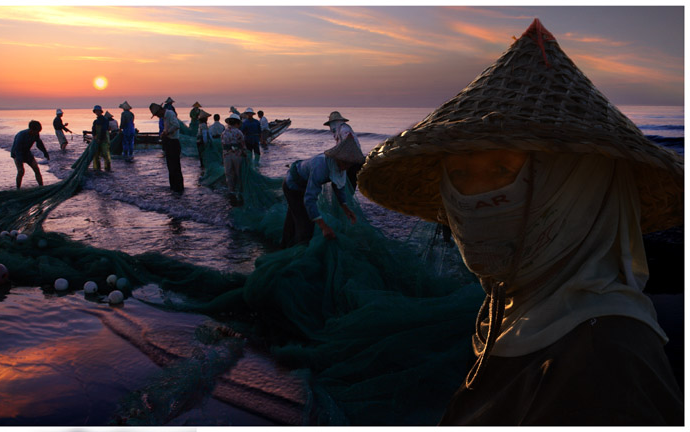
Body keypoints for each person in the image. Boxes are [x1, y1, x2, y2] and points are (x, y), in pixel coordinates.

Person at [356, 19, 683, 425]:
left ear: (575, 187)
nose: (475, 198)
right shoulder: (530, 311)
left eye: (501, 170)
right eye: (459, 176)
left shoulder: (606, 363)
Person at [281, 117, 364, 248]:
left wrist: (345, 208)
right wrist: (324, 226)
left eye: (350, 164)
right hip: (292, 186)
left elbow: (339, 187)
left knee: (294, 217)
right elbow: (309, 199)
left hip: (304, 184)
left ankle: (285, 245)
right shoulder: (321, 167)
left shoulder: (341, 166)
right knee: (306, 225)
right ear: (339, 158)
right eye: (347, 163)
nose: (348, 167)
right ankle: (298, 253)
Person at [324, 111, 364, 191]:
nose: (331, 127)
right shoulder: (340, 130)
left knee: (346, 183)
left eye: (331, 124)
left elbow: (348, 143)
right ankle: (344, 201)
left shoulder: (344, 129)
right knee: (346, 183)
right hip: (351, 160)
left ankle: (344, 201)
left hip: (352, 161)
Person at [150, 102, 184, 193]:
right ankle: (173, 187)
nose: (157, 116)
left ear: (160, 110)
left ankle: (179, 188)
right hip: (169, 142)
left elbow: (176, 126)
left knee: (175, 167)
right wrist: (164, 133)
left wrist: (167, 132)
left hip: (173, 142)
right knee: (170, 166)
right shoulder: (164, 117)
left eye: (157, 114)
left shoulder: (169, 114)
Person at [10, 120, 50, 189]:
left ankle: (41, 187)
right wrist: (20, 161)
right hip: (16, 153)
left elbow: (39, 144)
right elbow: (17, 149)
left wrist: (45, 152)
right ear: (31, 130)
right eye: (36, 131)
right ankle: (18, 188)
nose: (37, 133)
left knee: (36, 169)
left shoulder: (36, 134)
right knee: (21, 171)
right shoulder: (21, 135)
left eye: (38, 131)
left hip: (27, 152)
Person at [221, 113, 247, 206]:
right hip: (237, 155)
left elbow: (223, 145)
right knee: (238, 173)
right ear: (237, 123)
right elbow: (243, 145)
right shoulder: (238, 132)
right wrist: (245, 154)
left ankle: (231, 190)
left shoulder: (224, 133)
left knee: (229, 173)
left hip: (227, 156)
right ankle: (239, 190)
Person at [91, 105, 111, 172]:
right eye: (95, 111)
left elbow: (104, 129)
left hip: (104, 139)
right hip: (97, 140)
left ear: (100, 111)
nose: (97, 112)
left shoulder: (105, 120)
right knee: (96, 155)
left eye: (98, 111)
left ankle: (107, 168)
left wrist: (100, 139)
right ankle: (97, 168)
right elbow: (93, 129)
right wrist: (94, 136)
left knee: (105, 154)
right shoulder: (95, 121)